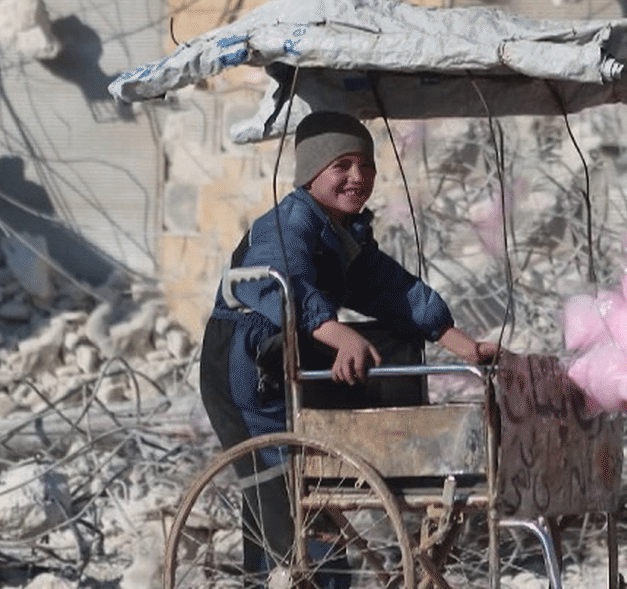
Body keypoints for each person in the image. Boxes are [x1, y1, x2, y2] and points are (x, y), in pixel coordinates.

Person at [199, 110, 499, 587]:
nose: (357, 177)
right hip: (245, 366)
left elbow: (394, 292)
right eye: (342, 165)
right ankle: (293, 576)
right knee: (278, 489)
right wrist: (337, 333)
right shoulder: (287, 223)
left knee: (315, 480)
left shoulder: (346, 233)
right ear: (311, 172)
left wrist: (462, 345)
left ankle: (384, 490)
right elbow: (281, 283)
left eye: (366, 165)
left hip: (290, 360)